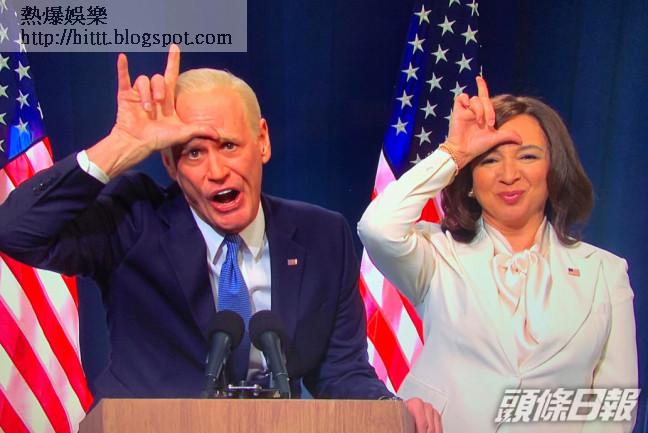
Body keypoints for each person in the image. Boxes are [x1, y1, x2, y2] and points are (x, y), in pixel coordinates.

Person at [0, 46, 440, 431]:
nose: (216, 171)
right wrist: (118, 147)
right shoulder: (132, 220)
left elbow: (341, 372)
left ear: (262, 141)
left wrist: (390, 410)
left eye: (229, 146)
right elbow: (15, 229)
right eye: (194, 152)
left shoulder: (323, 236)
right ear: (169, 165)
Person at [358, 76, 638, 433]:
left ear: (554, 170)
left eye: (528, 156)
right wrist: (454, 152)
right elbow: (376, 227)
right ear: (470, 182)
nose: (509, 175)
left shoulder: (605, 272)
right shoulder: (436, 254)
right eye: (490, 160)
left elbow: (614, 407)